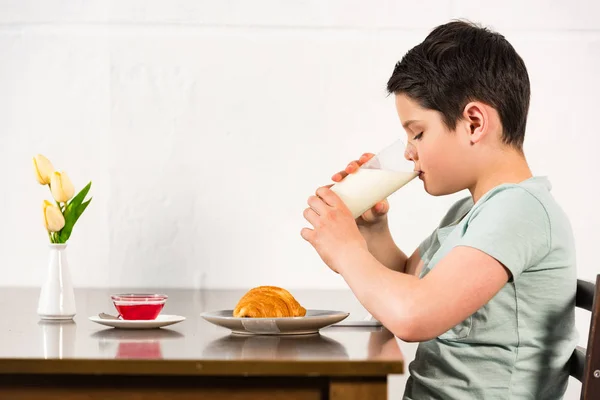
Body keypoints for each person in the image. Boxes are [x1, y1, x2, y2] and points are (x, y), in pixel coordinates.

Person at [301, 20, 578, 399]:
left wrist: (348, 251)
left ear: (474, 123)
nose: (409, 150)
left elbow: (413, 316)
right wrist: (371, 232)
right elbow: (411, 285)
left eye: (418, 133)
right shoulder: (472, 212)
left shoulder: (520, 211)